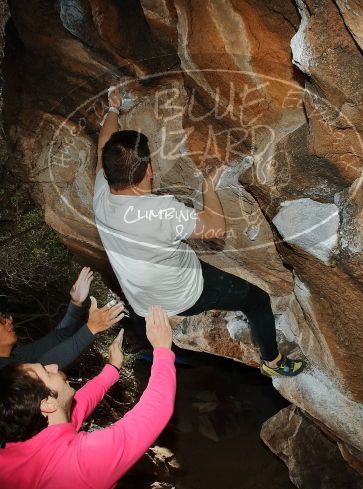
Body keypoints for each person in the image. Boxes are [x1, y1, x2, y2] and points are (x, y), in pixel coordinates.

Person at [91, 85, 304, 377]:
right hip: (183, 294)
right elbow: (215, 227)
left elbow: (104, 142)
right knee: (257, 300)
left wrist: (113, 108)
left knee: (177, 255)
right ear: (149, 170)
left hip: (142, 299)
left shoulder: (102, 194)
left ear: (108, 170)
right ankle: (272, 361)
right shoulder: (161, 211)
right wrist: (207, 187)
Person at [0, 305, 176, 489]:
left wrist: (112, 370)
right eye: (47, 372)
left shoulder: (9, 456)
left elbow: (74, 409)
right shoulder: (82, 461)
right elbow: (154, 412)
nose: (54, 366)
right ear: (46, 404)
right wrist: (162, 350)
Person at [0, 266, 125, 444]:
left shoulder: (12, 356)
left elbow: (57, 337)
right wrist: (91, 328)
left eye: (5, 315)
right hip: (32, 462)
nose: (9, 320)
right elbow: (35, 379)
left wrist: (75, 303)